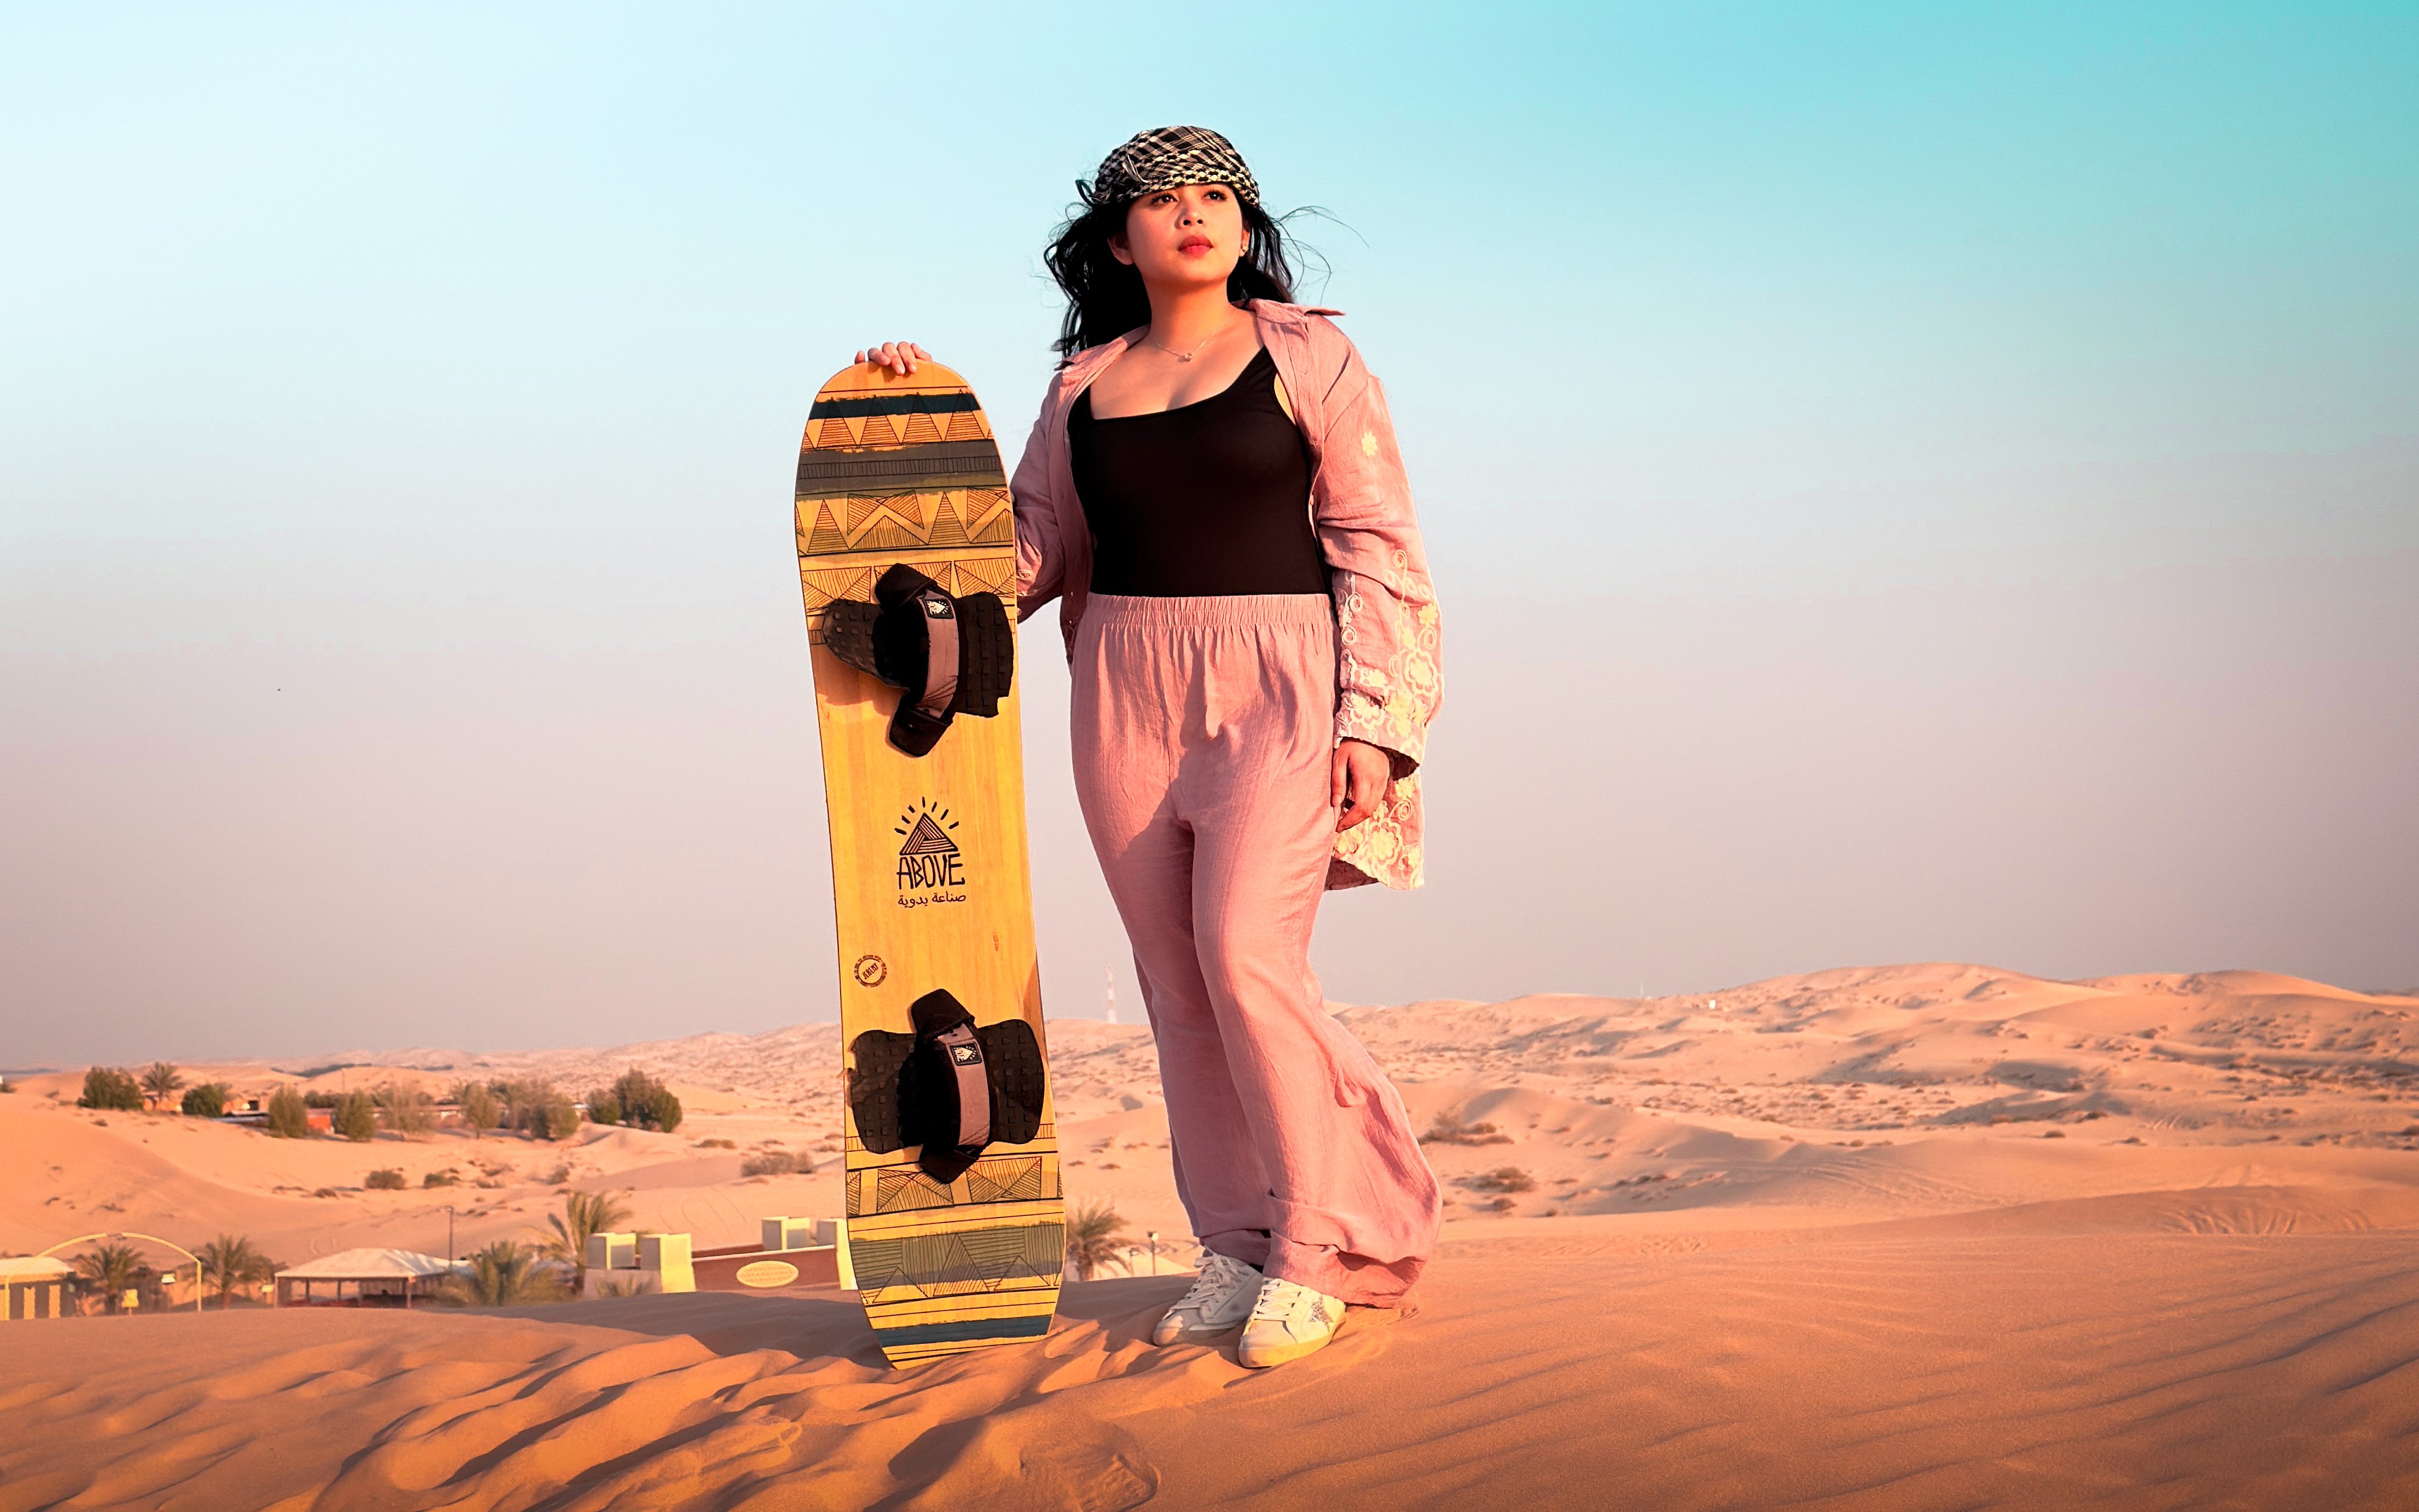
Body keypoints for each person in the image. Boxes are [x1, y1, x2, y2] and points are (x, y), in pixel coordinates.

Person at [854, 125, 1441, 1369]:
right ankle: (1234, 1242)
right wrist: (903, 416)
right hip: (1122, 690)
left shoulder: (1308, 356)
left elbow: (1376, 540)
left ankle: (1325, 1241)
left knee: (1246, 958)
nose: (1194, 213)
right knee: (1176, 985)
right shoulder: (1082, 387)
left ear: (1244, 222)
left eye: (1216, 194)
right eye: (1163, 198)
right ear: (1118, 241)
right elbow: (1023, 553)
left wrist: (1373, 723)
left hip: (1281, 683)